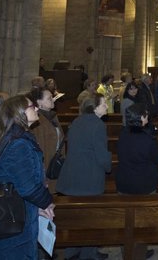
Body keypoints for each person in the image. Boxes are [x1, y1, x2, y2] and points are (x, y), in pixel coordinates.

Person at [0, 95, 55, 260]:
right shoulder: (18, 144)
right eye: (32, 106)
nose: (37, 108)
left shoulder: (13, 138)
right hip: (8, 224)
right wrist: (47, 202)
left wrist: (36, 208)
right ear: (19, 113)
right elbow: (28, 187)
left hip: (13, 214)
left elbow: (15, 182)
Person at [55, 94, 112, 260]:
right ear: (94, 107)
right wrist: (108, 165)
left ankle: (72, 252)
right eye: (103, 104)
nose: (106, 107)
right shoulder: (98, 124)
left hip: (72, 174)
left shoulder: (77, 121)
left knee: (75, 217)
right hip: (89, 177)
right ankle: (88, 254)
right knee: (90, 218)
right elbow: (101, 154)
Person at [116, 103, 158, 195]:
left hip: (124, 183)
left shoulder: (123, 135)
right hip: (144, 184)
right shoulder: (147, 138)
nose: (148, 115)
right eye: (146, 114)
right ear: (141, 117)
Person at [28, 87, 64, 193]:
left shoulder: (53, 117)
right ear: (39, 102)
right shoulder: (37, 121)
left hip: (55, 163)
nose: (53, 100)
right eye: (49, 98)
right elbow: (39, 148)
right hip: (45, 166)